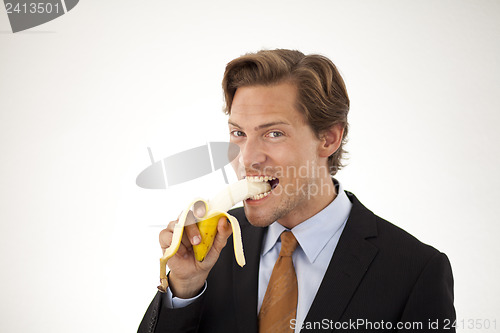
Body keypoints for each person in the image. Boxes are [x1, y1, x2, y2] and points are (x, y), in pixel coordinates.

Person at [138, 49, 455, 333]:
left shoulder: (415, 271)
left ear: (328, 138)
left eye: (273, 133)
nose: (247, 159)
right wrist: (184, 288)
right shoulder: (210, 250)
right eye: (238, 133)